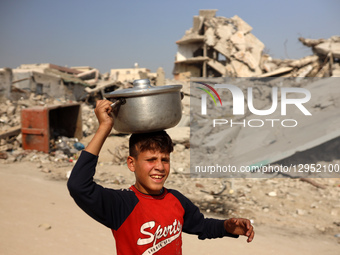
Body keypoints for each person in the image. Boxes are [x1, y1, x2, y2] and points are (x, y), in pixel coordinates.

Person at [67, 100, 255, 254]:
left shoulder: (175, 200)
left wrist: (227, 227)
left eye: (164, 159)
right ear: (131, 163)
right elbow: (78, 185)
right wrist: (104, 128)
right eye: (150, 159)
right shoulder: (121, 205)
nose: (159, 167)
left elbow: (201, 225)